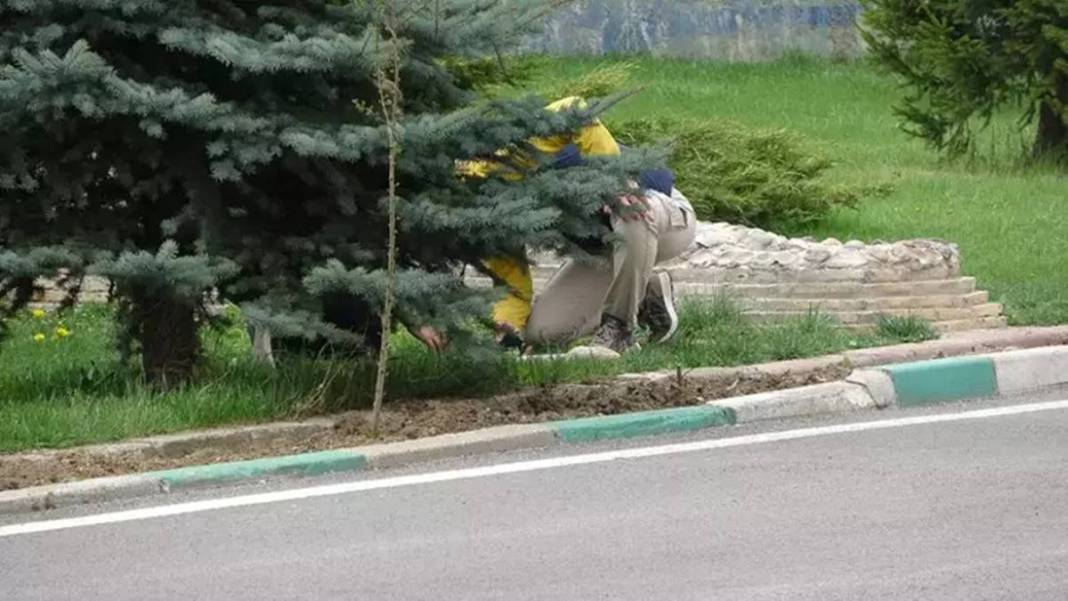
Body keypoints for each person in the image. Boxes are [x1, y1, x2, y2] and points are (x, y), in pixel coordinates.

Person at [419, 98, 698, 357]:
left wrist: (613, 178)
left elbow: (574, 110)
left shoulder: (503, 156)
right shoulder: (485, 214)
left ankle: (619, 330)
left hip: (659, 211)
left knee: (627, 211)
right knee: (543, 332)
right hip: (606, 246)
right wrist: (508, 329)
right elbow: (510, 275)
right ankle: (646, 294)